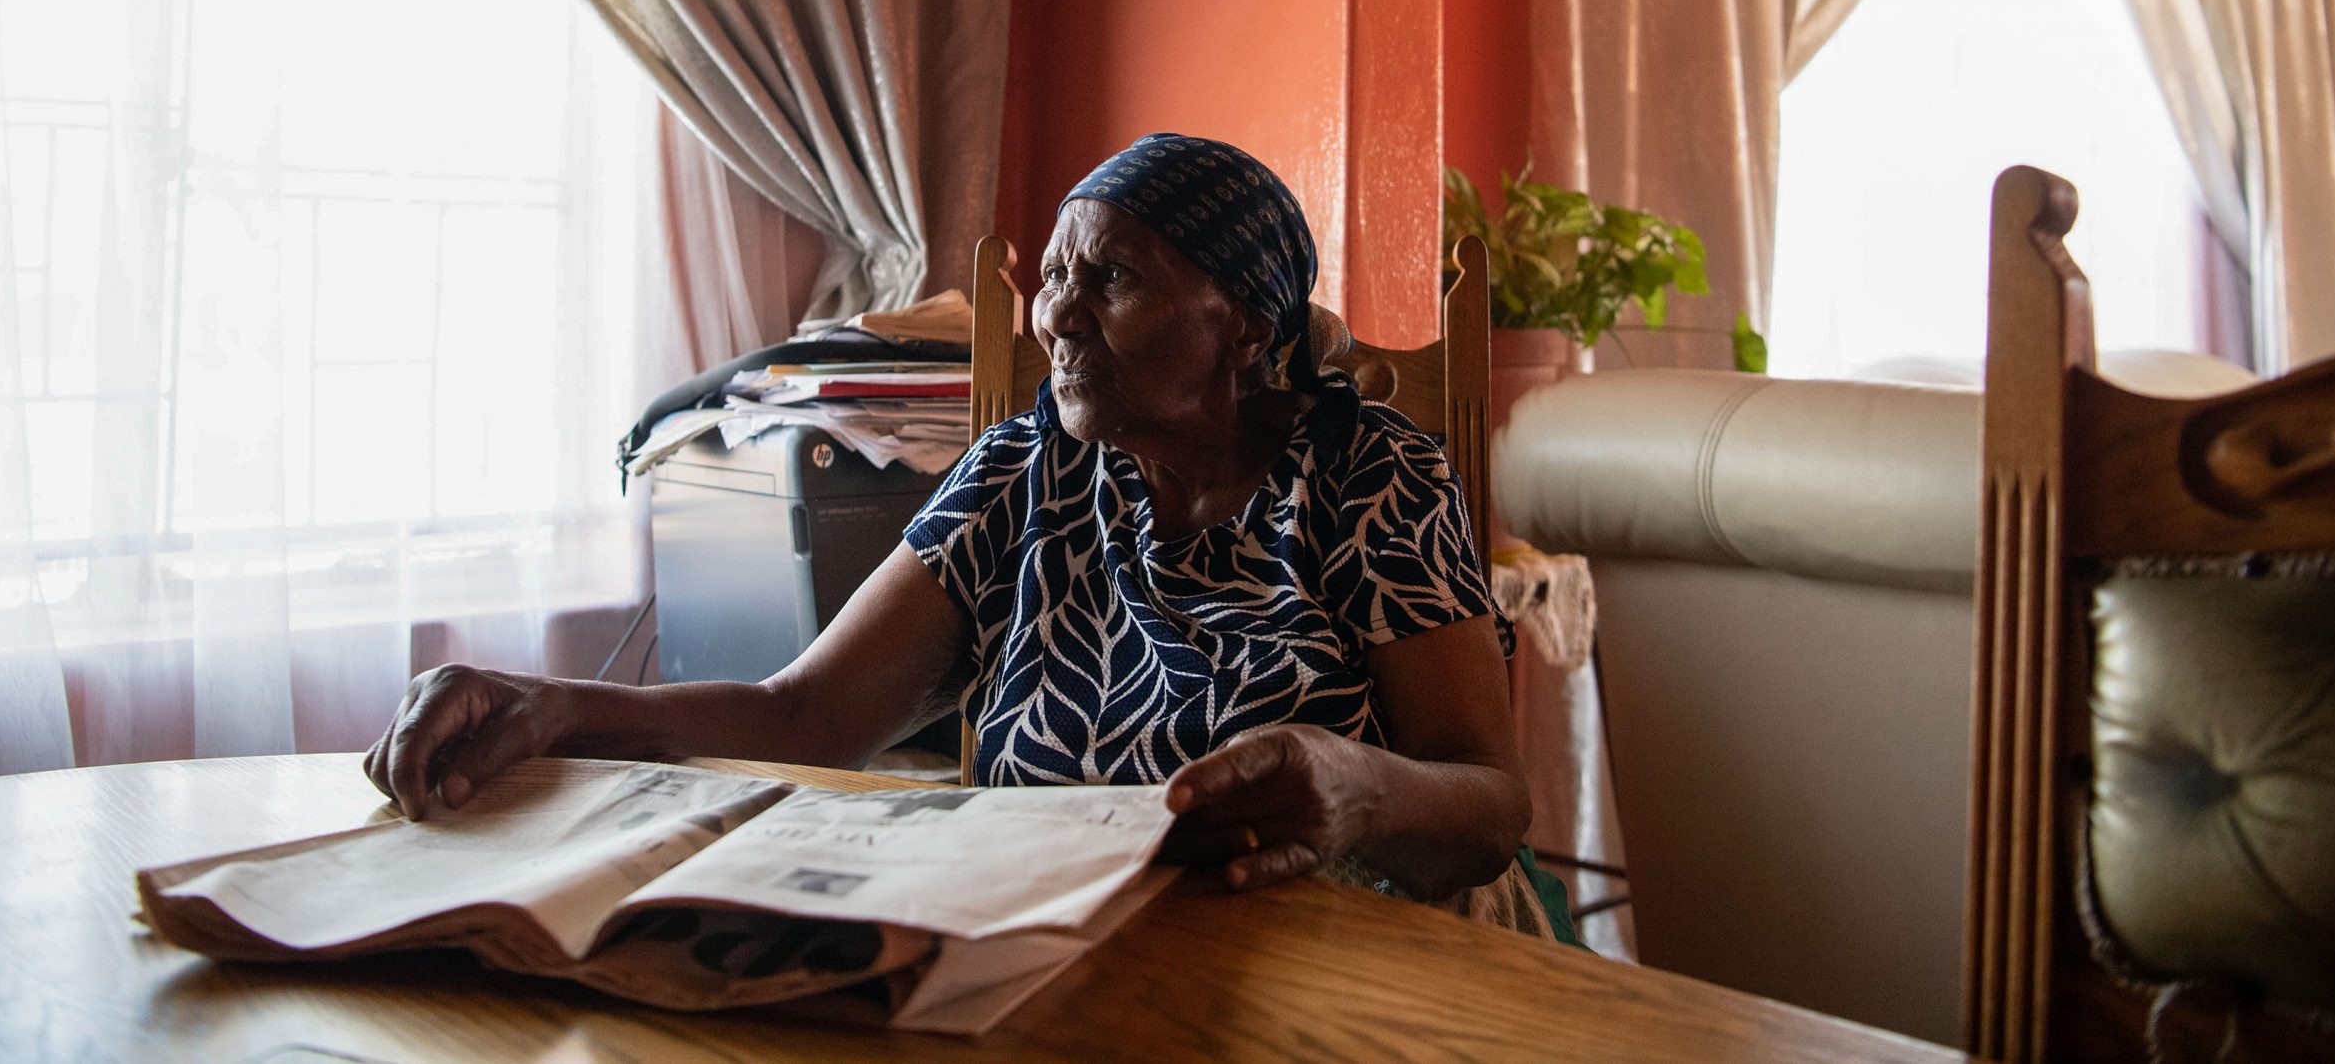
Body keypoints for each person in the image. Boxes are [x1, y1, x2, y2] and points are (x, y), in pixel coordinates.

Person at [365, 133, 1539, 922]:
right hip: (1054, 947)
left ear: (1241, 327)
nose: (1060, 317)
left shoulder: (1365, 474)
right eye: (1058, 275)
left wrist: (1363, 789)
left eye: (1115, 280)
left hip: (1341, 963)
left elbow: (1488, 802)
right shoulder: (1026, 468)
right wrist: (559, 705)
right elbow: (807, 716)